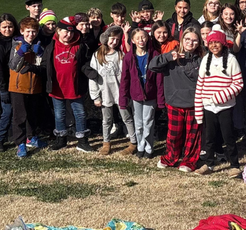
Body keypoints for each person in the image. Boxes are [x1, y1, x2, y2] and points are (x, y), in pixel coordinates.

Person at [150, 27, 205, 172]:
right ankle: (170, 157)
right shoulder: (172, 55)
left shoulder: (202, 58)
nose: (190, 43)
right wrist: (168, 57)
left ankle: (189, 161)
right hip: (174, 101)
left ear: (198, 42)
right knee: (174, 134)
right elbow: (152, 66)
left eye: (194, 40)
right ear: (182, 40)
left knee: (192, 135)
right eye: (187, 39)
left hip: (194, 102)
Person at [195, 28, 245, 176]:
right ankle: (209, 164)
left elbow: (238, 84)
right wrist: (199, 110)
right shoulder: (205, 59)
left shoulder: (231, 60)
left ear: (223, 43)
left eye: (217, 42)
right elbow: (200, 85)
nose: (214, 45)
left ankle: (234, 165)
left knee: (228, 137)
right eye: (211, 43)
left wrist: (219, 97)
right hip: (208, 107)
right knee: (209, 138)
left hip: (225, 106)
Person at [46, 16, 96, 153]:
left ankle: (82, 141)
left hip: (75, 87)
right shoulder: (52, 46)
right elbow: (46, 65)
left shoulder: (79, 46)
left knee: (80, 114)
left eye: (71, 32)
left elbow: (84, 63)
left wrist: (90, 73)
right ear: (58, 31)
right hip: (57, 88)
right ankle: (61, 139)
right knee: (59, 114)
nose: (68, 35)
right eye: (65, 32)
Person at [89, 26, 134, 156]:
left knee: (127, 118)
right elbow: (93, 77)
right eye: (112, 39)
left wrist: (126, 93)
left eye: (117, 40)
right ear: (106, 38)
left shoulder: (120, 55)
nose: (114, 42)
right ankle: (106, 143)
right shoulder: (97, 55)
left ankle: (133, 142)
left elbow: (126, 76)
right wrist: (95, 96)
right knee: (106, 120)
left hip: (120, 93)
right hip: (105, 93)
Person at [120, 26, 163, 159]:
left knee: (148, 122)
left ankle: (149, 148)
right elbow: (124, 80)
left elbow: (159, 80)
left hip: (150, 96)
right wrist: (123, 99)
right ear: (132, 40)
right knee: (138, 124)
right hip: (136, 96)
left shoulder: (155, 55)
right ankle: (140, 146)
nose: (141, 40)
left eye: (143, 37)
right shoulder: (128, 58)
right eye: (137, 38)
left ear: (148, 38)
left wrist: (160, 100)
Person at [8, 17, 46, 158]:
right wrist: (20, 53)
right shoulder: (17, 45)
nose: (31, 34)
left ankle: (31, 137)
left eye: (34, 31)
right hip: (18, 86)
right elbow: (13, 66)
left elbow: (42, 65)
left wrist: (40, 53)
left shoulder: (38, 45)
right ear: (22, 31)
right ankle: (20, 143)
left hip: (34, 86)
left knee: (32, 114)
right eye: (28, 31)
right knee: (19, 116)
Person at [0, 14, 18, 153]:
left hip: (18, 83)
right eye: (4, 27)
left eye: (10, 26)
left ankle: (17, 136)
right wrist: (3, 90)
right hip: (6, 85)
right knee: (7, 112)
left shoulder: (18, 41)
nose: (8, 29)